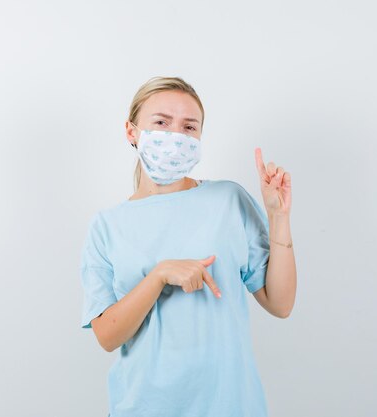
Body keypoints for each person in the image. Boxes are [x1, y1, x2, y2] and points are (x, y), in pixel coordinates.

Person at [79, 76, 297, 417]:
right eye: (162, 122)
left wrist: (278, 217)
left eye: (188, 127)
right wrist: (159, 275)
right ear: (132, 131)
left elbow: (280, 304)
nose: (175, 136)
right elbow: (107, 336)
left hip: (231, 406)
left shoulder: (228, 200)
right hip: (144, 407)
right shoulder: (107, 226)